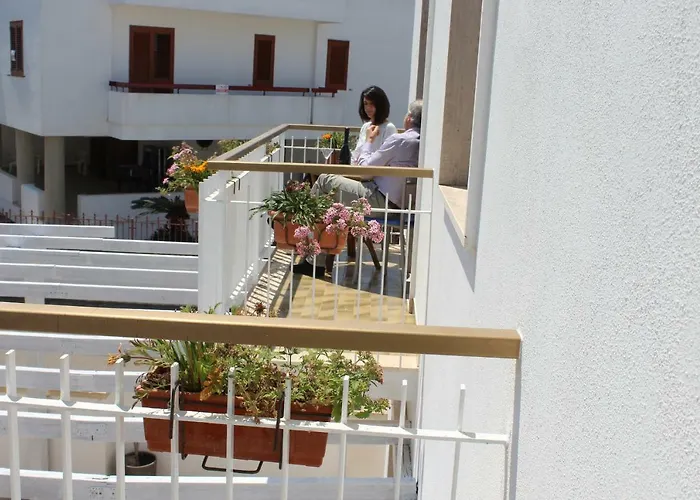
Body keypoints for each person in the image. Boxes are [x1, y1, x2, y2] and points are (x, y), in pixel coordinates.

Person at [293, 100, 422, 277]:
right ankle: (315, 258)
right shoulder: (423, 143)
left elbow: (365, 170)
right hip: (404, 207)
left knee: (324, 181)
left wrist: (369, 141)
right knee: (330, 199)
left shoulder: (399, 140)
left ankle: (304, 241)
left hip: (380, 202)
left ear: (409, 118)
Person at [351, 86, 398, 164]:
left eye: (372, 103)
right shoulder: (365, 126)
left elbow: (385, 158)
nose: (368, 107)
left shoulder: (389, 128)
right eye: (365, 103)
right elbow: (357, 153)